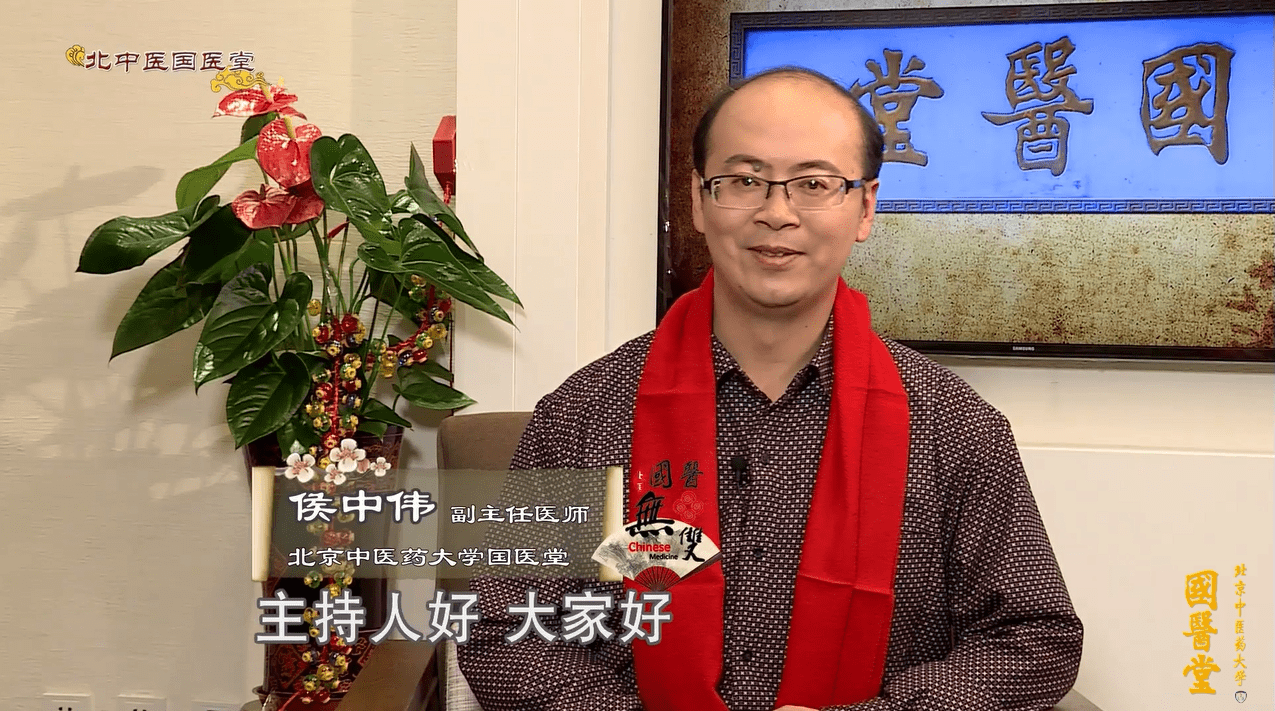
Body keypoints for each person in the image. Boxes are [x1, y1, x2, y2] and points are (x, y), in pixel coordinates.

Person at [456, 67, 1083, 711]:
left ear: (865, 207)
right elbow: (501, 626)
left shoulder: (953, 426)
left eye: (814, 184)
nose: (777, 213)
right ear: (698, 200)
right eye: (744, 180)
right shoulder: (588, 411)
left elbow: (1035, 637)